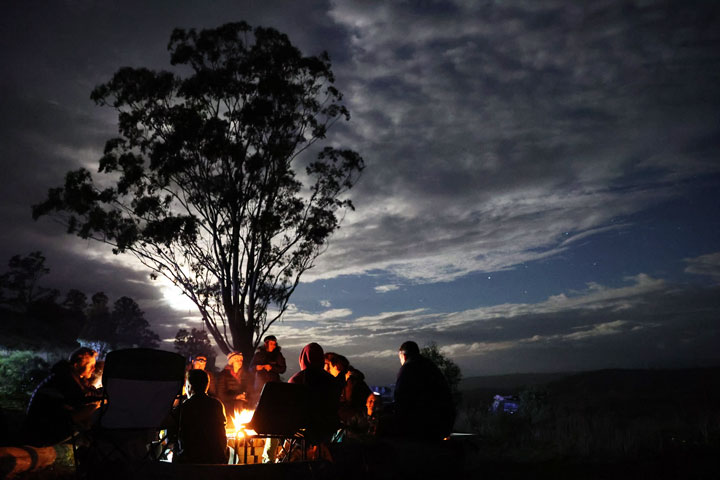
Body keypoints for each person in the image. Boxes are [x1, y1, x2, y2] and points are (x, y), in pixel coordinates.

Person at [24, 347, 103, 446]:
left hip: (49, 424)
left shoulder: (75, 377)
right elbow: (82, 398)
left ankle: (89, 441)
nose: (93, 369)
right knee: (94, 406)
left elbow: (89, 393)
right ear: (76, 364)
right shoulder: (64, 376)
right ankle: (91, 442)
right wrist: (105, 397)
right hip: (41, 430)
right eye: (91, 365)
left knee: (93, 407)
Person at [393, 341, 455, 440]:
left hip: (422, 426)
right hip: (442, 422)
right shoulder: (430, 365)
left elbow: (400, 398)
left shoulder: (407, 369)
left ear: (403, 356)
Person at [289, 343, 341, 446]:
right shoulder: (331, 380)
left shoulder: (297, 379)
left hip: (303, 427)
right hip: (328, 427)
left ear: (303, 358)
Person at [174, 369, 229, 464]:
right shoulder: (217, 404)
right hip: (216, 459)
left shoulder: (184, 407)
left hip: (190, 460)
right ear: (206, 386)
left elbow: (170, 433)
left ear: (189, 386)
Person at [324, 352, 372, 429]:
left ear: (335, 366)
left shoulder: (350, 382)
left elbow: (350, 406)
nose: (326, 369)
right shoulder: (348, 380)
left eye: (328, 365)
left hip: (357, 425)